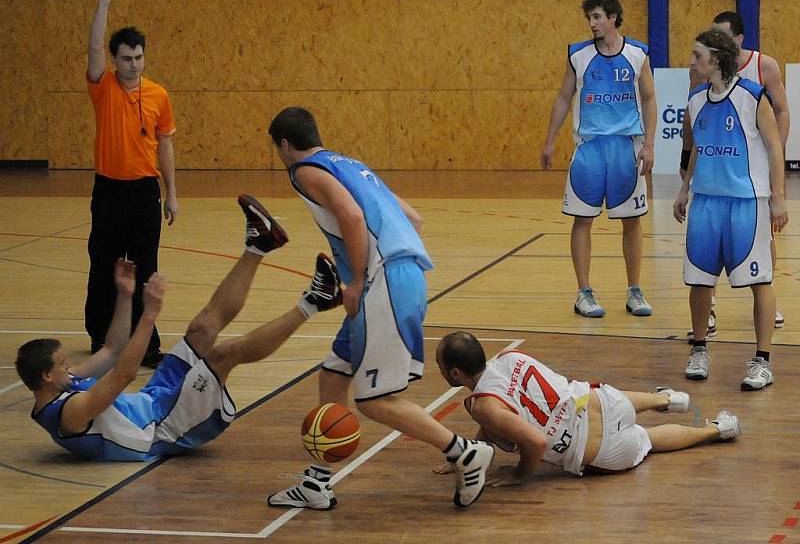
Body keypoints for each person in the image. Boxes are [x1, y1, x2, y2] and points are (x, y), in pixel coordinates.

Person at [265, 107, 494, 510]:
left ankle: (464, 451)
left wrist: (356, 280)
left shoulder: (304, 171)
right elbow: (413, 218)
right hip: (402, 277)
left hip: (382, 284)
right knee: (334, 374)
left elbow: (351, 216)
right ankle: (317, 483)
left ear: (284, 145)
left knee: (374, 400)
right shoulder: (352, 165)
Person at [16, 195, 342, 461]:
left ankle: (260, 243)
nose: (69, 366)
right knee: (222, 355)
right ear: (46, 376)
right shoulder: (70, 414)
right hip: (168, 426)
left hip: (156, 398)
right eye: (62, 363)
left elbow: (112, 350)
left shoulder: (62, 384)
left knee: (201, 329)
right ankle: (315, 301)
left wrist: (127, 297)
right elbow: (123, 374)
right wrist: (149, 315)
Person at [435, 332, 741, 487]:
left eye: (440, 365)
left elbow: (536, 442)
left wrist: (519, 475)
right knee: (592, 395)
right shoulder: (509, 355)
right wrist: (468, 452)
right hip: (604, 401)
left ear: (456, 374)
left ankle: (716, 429)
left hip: (599, 450)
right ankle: (665, 400)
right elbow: (496, 422)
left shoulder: (483, 406)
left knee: (649, 439)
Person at [674, 29, 788, 390]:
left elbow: (774, 149)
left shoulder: (753, 97)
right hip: (706, 202)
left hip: (746, 203)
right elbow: (696, 149)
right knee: (699, 280)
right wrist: (684, 188)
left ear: (717, 60)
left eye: (697, 56)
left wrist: (779, 197)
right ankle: (699, 348)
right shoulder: (694, 100)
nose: (691, 63)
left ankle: (762, 360)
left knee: (759, 281)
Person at [541, 0, 657, 319]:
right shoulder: (578, 56)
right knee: (583, 220)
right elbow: (564, 98)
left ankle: (634, 290)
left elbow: (649, 99)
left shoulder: (638, 54)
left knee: (633, 221)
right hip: (589, 148)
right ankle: (584, 292)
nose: (591, 23)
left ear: (612, 18)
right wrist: (549, 140)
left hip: (627, 148)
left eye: (596, 17)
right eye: (589, 18)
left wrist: (649, 145)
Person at [85, 0, 178, 368]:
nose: (133, 64)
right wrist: (104, 1)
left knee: (145, 267)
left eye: (138, 57)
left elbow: (165, 144)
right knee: (104, 264)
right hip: (108, 191)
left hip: (143, 192)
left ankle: (146, 346)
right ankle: (101, 339)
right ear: (114, 59)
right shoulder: (102, 86)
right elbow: (92, 47)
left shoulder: (158, 94)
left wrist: (171, 192)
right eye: (125, 58)